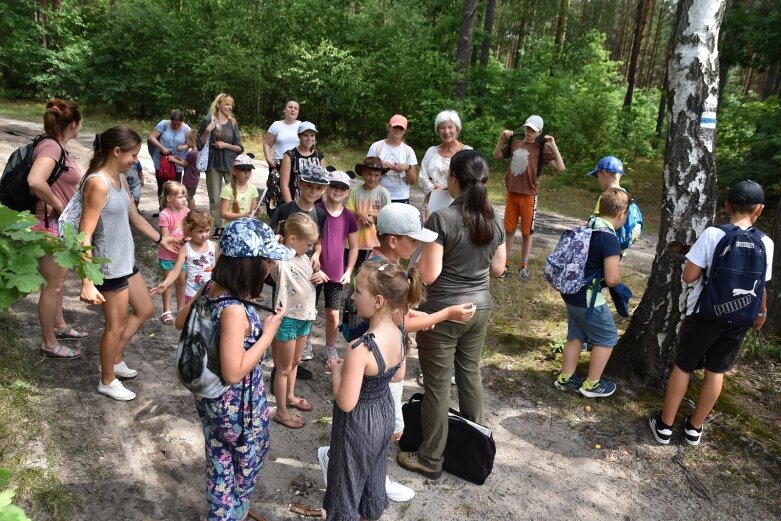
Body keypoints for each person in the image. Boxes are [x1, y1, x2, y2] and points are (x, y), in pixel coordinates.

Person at [397, 150, 506, 479]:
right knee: (470, 375)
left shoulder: (442, 219)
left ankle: (430, 459)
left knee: (438, 385)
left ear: (454, 180)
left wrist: (409, 269)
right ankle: (474, 448)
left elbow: (429, 275)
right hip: (480, 307)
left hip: (445, 311)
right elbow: (499, 268)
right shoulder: (493, 218)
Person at [174, 217, 291, 521]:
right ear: (249, 266)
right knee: (247, 455)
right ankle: (231, 509)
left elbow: (179, 321)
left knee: (221, 458)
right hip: (236, 402)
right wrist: (267, 333)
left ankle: (229, 509)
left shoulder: (212, 286)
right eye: (266, 260)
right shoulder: (234, 310)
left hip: (210, 396)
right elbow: (234, 372)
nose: (269, 267)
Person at [649, 180, 773, 446]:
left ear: (727, 206)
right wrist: (761, 313)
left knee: (684, 367)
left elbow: (689, 276)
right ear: (759, 210)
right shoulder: (767, 243)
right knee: (716, 371)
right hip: (740, 317)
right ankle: (694, 428)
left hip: (704, 314)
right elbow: (761, 285)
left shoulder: (713, 234)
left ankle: (665, 426)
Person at [78, 126, 180, 401]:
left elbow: (134, 217)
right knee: (116, 325)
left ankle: (114, 359)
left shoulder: (120, 178)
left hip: (125, 259)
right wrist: (87, 280)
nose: (136, 159)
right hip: (108, 265)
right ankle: (107, 379)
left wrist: (162, 239)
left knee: (145, 309)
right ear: (116, 151)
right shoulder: (97, 184)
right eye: (133, 154)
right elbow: (84, 234)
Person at [323, 261, 422, 521]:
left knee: (347, 482)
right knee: (372, 475)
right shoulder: (399, 333)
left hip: (357, 425)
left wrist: (337, 371)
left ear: (378, 301)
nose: (352, 297)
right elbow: (397, 375)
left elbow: (345, 402)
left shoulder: (360, 347)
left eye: (357, 292)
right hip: (383, 415)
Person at [553, 188, 630, 398]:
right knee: (607, 337)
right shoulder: (610, 240)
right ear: (621, 213)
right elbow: (612, 278)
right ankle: (592, 385)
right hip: (588, 297)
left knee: (575, 334)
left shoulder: (587, 228)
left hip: (570, 292)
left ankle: (566, 379)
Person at [28, 99, 86, 359]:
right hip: (48, 226)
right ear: (73, 124)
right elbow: (35, 181)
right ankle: (48, 343)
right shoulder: (51, 146)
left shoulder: (56, 146)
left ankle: (60, 326)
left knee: (59, 284)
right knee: (53, 285)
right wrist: (59, 205)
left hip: (56, 226)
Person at [268, 164, 331, 375]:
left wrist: (316, 254)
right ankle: (279, 368)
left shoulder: (320, 214)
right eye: (309, 186)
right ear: (300, 183)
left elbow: (319, 241)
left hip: (307, 271)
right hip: (284, 273)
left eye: (319, 188)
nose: (313, 191)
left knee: (304, 314)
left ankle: (294, 362)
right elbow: (272, 236)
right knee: (281, 318)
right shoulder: (285, 210)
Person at [270, 214, 328, 429]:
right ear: (293, 238)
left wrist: (319, 275)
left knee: (295, 362)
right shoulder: (281, 258)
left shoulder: (305, 258)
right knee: (283, 368)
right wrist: (277, 238)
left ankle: (290, 396)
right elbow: (264, 251)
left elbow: (313, 273)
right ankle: (281, 412)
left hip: (306, 317)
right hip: (287, 319)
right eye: (309, 244)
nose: (311, 248)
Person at [492, 115, 565, 281]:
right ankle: (504, 262)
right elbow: (497, 155)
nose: (529, 132)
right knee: (509, 231)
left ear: (539, 132)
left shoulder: (541, 150)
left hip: (529, 196)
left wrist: (553, 146)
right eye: (527, 128)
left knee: (527, 233)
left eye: (533, 130)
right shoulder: (515, 143)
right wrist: (501, 139)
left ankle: (523, 266)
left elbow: (561, 167)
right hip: (512, 193)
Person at [316, 170, 359, 361]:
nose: (337, 191)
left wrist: (349, 271)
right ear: (327, 187)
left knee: (333, 313)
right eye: (334, 186)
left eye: (342, 188)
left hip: (336, 273)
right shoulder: (316, 209)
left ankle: (330, 347)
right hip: (315, 270)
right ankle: (305, 342)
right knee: (308, 310)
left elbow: (355, 246)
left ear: (348, 192)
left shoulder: (349, 217)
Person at [197, 93, 244, 233]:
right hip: (213, 164)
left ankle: (234, 226)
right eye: (227, 104)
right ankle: (218, 228)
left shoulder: (232, 123)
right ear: (218, 105)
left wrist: (225, 145)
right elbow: (199, 145)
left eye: (231, 105)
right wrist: (207, 131)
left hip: (230, 164)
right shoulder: (208, 120)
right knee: (215, 198)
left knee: (234, 195)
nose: (230, 107)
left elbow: (240, 148)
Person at [151, 209, 217, 306]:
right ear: (189, 231)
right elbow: (175, 271)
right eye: (200, 231)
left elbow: (219, 269)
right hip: (192, 295)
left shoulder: (214, 246)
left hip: (212, 293)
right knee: (191, 320)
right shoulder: (185, 249)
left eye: (207, 230)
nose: (204, 235)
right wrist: (165, 284)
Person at [418, 110, 471, 219]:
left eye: (450, 127)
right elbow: (422, 178)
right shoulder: (431, 151)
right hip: (432, 204)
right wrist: (434, 189)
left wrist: (448, 188)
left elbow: (471, 179)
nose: (447, 131)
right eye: (442, 128)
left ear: (457, 129)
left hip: (459, 206)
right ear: (438, 130)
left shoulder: (467, 152)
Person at [586, 156, 643, 254]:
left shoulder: (606, 198)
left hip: (603, 249)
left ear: (604, 174)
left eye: (597, 176)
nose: (597, 180)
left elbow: (598, 226)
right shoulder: (625, 197)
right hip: (617, 251)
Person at [347, 157, 391, 271]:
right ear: (363, 173)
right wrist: (360, 213)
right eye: (369, 174)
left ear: (380, 175)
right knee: (354, 268)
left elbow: (389, 217)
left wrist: (375, 217)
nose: (372, 178)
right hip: (355, 239)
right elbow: (348, 213)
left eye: (376, 175)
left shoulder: (384, 193)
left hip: (375, 241)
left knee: (370, 271)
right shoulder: (356, 191)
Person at [157, 181, 190, 324]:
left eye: (185, 196)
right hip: (168, 255)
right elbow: (165, 238)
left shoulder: (187, 212)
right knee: (168, 283)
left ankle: (181, 308)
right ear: (169, 198)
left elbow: (190, 230)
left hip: (182, 256)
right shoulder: (164, 214)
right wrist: (179, 240)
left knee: (182, 282)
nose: (184, 199)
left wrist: (188, 238)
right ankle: (166, 310)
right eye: (180, 196)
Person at [367, 114, 418, 204]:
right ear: (389, 127)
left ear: (405, 131)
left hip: (401, 197)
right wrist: (380, 166)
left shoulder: (409, 151)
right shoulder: (376, 147)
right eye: (395, 126)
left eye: (401, 128)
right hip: (377, 194)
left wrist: (407, 168)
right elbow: (366, 172)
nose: (398, 129)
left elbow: (412, 181)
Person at [263, 99, 301, 215]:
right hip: (278, 163)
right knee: (275, 192)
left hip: (296, 164)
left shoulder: (301, 126)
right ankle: (274, 218)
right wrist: (269, 159)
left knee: (294, 191)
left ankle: (292, 216)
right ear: (284, 110)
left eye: (295, 108)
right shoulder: (276, 125)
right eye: (290, 107)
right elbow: (267, 144)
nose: (293, 110)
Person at [147, 109, 191, 209]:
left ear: (182, 122)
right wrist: (162, 148)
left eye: (178, 124)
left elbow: (193, 141)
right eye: (174, 124)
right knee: (162, 186)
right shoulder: (164, 124)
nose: (176, 126)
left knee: (176, 188)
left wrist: (184, 146)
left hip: (176, 162)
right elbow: (151, 137)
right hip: (162, 160)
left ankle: (174, 209)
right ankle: (162, 209)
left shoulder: (186, 129)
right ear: (170, 120)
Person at [279, 121, 324, 204]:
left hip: (315, 202)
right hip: (295, 199)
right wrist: (290, 206)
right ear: (299, 136)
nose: (309, 138)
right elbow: (284, 185)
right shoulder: (290, 155)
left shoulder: (319, 155)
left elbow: (323, 182)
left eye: (312, 135)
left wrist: (324, 205)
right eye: (305, 135)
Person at [219, 154, 259, 229]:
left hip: (246, 227)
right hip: (230, 228)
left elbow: (252, 211)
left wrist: (256, 211)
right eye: (243, 170)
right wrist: (243, 215)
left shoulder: (253, 188)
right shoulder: (228, 189)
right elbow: (223, 213)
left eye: (249, 170)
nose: (246, 173)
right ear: (234, 171)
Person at [182, 130, 200, 210]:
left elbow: (184, 164)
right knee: (191, 197)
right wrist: (179, 159)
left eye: (187, 140)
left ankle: (190, 213)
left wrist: (172, 159)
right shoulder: (198, 152)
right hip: (194, 180)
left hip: (189, 180)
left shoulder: (191, 153)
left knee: (188, 197)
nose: (186, 142)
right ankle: (192, 213)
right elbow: (188, 163)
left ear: (192, 141)